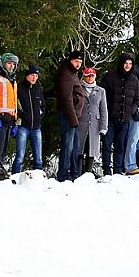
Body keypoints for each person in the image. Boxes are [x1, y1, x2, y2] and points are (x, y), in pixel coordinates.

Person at [100, 53, 139, 176]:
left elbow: (136, 99)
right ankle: (106, 170)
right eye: (125, 63)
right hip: (110, 117)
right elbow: (102, 94)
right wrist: (107, 110)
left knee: (120, 146)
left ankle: (118, 170)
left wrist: (132, 110)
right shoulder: (110, 76)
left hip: (125, 118)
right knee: (107, 145)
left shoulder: (134, 80)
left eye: (130, 64)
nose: (127, 66)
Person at [55, 50, 85, 181]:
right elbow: (67, 99)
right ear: (70, 60)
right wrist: (73, 118)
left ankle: (74, 172)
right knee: (68, 146)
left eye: (80, 62)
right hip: (68, 115)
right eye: (76, 61)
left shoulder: (72, 72)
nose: (78, 64)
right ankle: (63, 174)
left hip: (73, 116)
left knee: (74, 146)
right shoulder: (67, 73)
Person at [11, 65, 45, 174]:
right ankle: (14, 178)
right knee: (19, 156)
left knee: (38, 158)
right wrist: (23, 115)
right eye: (32, 75)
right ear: (27, 76)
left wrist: (40, 117)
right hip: (23, 126)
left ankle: (37, 179)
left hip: (36, 127)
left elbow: (43, 106)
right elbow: (14, 105)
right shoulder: (19, 88)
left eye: (36, 75)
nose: (34, 78)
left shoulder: (38, 89)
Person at [76, 67, 108, 177]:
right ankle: (78, 172)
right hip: (81, 124)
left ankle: (88, 173)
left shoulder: (100, 91)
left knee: (91, 150)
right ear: (84, 76)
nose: (90, 77)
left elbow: (103, 109)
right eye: (88, 75)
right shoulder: (79, 88)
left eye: (92, 75)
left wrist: (103, 126)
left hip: (95, 125)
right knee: (80, 149)